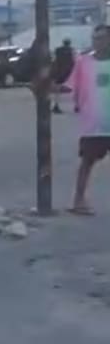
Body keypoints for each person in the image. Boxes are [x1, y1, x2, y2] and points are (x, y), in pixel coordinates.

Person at [67, 24, 110, 215]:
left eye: (101, 38)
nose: (97, 42)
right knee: (86, 162)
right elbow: (70, 86)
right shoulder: (83, 63)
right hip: (93, 125)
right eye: (95, 38)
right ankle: (78, 200)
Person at [52, 39, 75, 113]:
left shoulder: (57, 50)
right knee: (76, 87)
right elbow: (74, 60)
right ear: (69, 43)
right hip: (69, 71)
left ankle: (56, 105)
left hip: (59, 71)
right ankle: (77, 105)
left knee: (57, 89)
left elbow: (54, 59)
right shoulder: (71, 50)